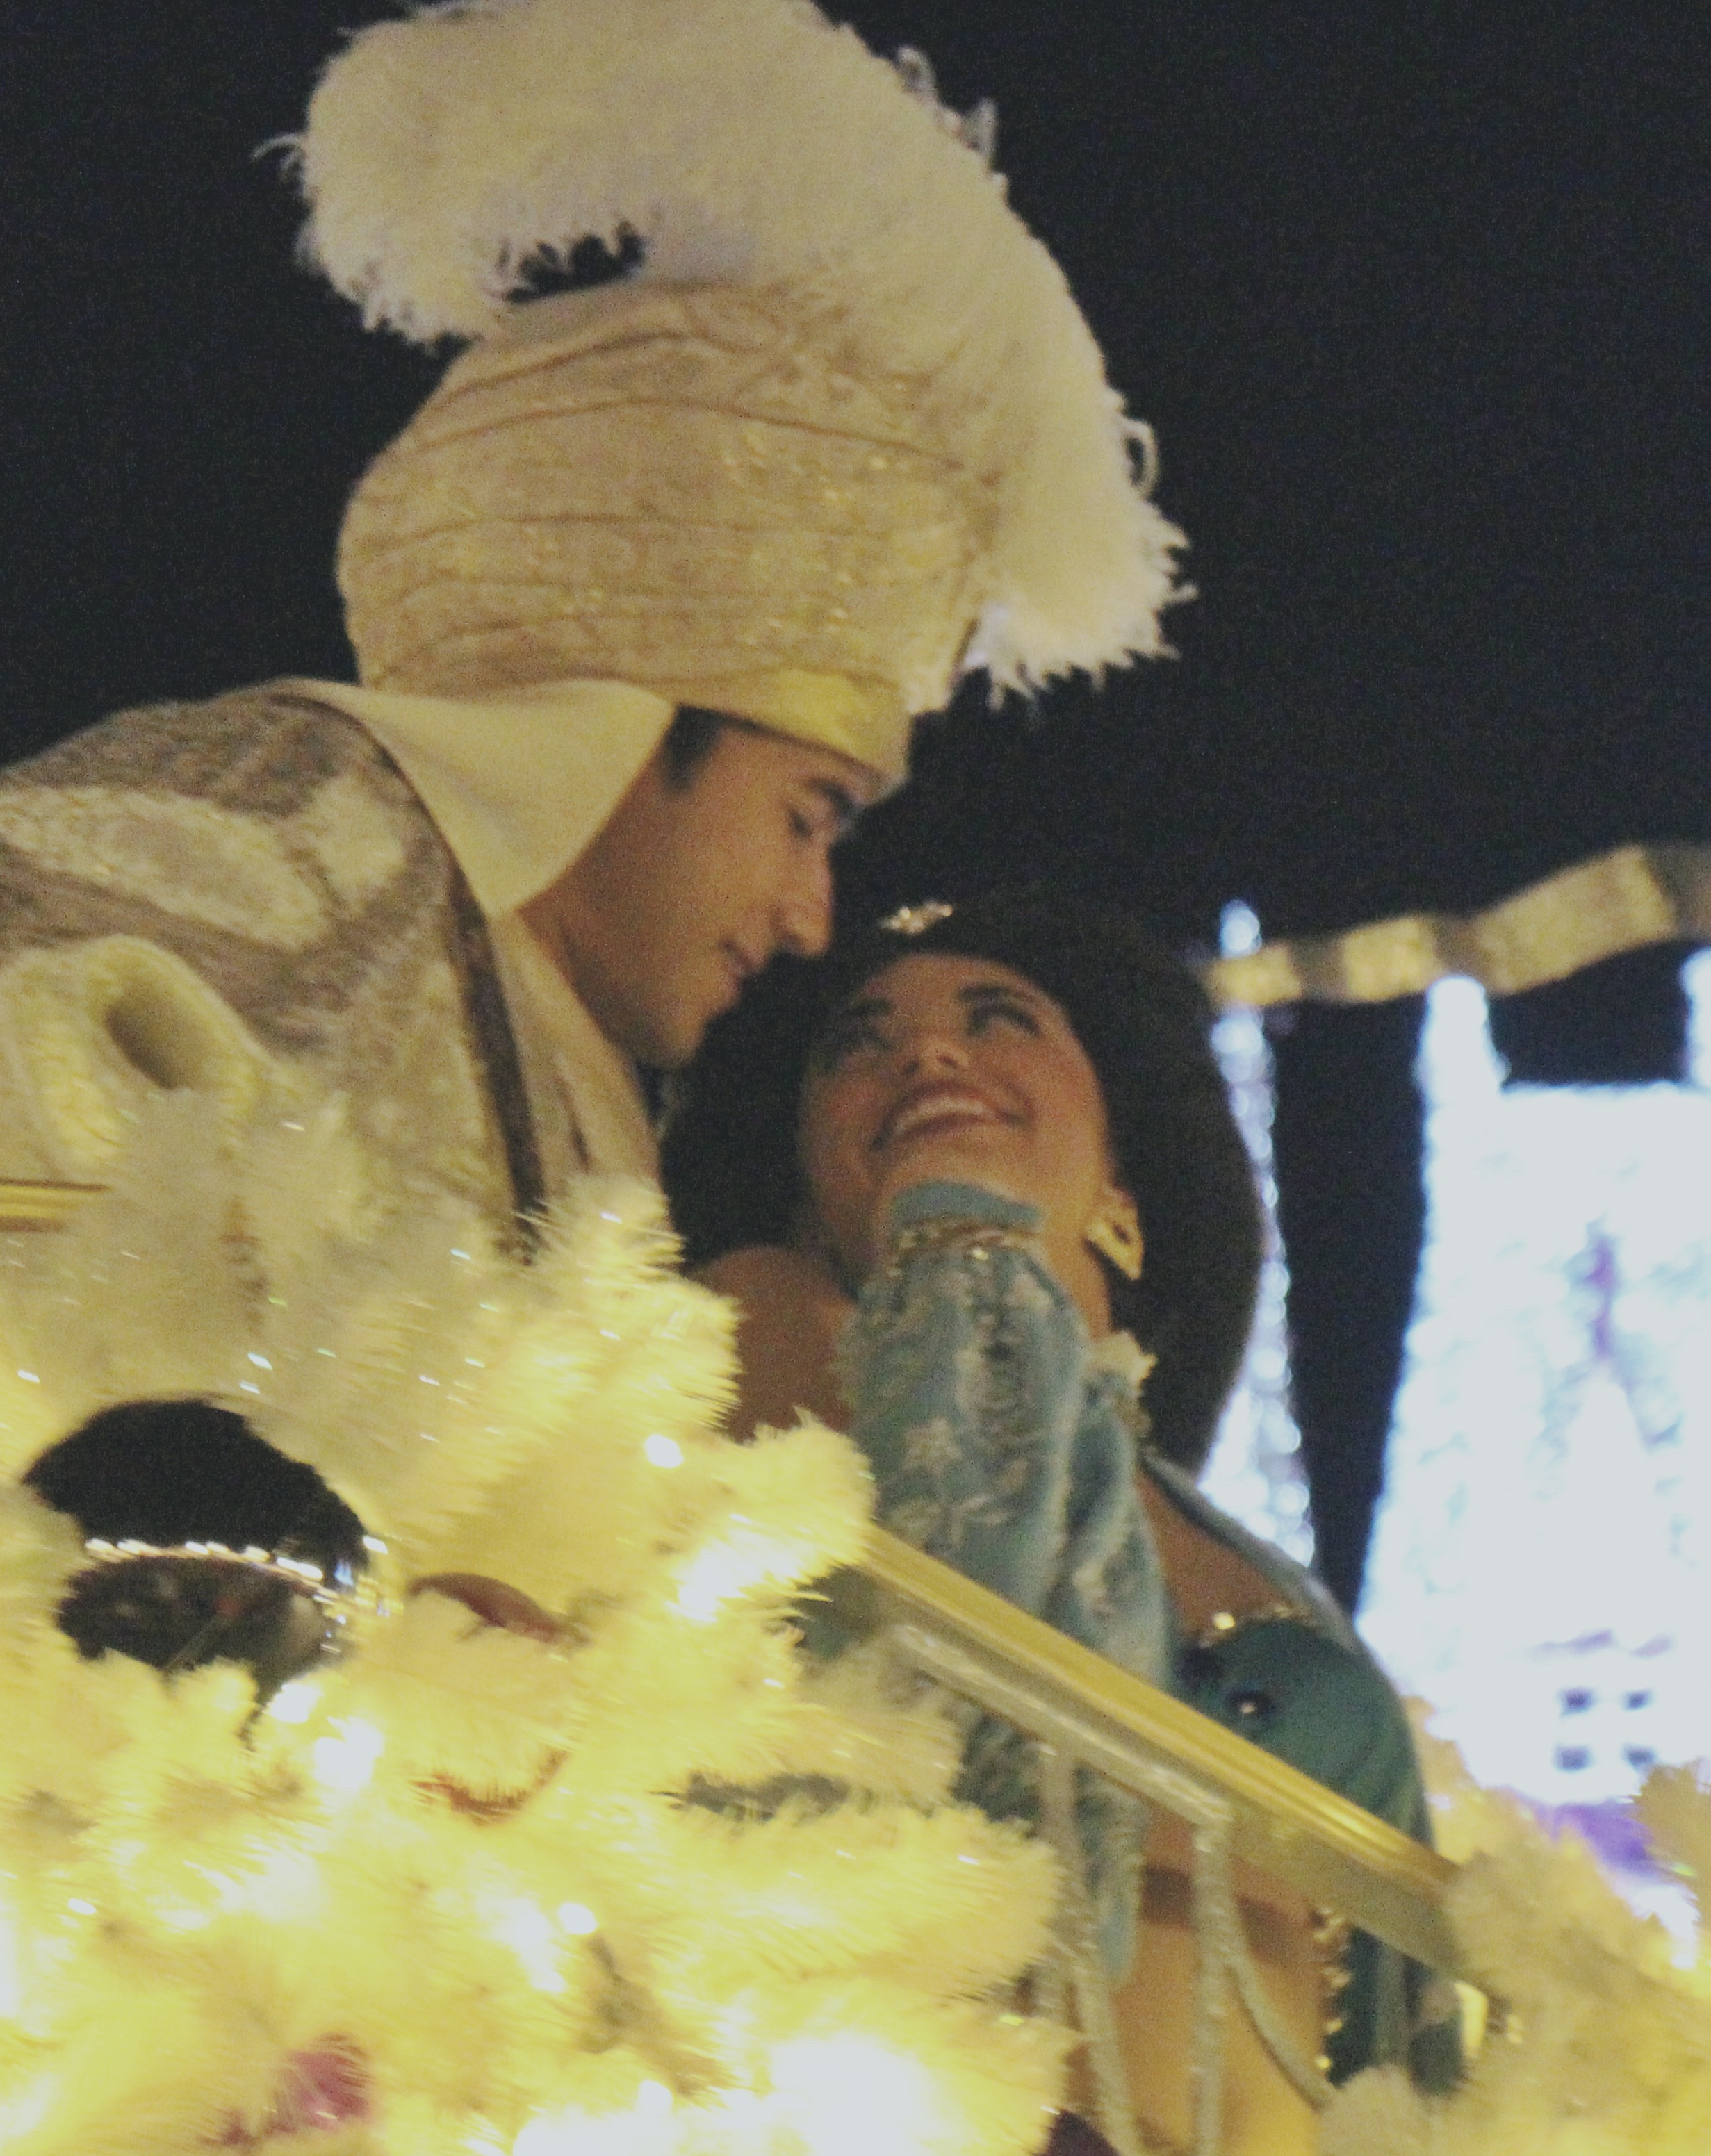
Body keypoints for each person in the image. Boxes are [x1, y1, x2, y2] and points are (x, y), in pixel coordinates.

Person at [0, 0, 1178, 1235]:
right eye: (803, 817)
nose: (810, 914)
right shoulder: (272, 845)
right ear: (616, 732)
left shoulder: (598, 1092)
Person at [664, 885, 1448, 2156]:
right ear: (800, 1186)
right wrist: (955, 1253)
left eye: (995, 1020)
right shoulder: (775, 1340)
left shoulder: (1243, 1558)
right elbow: (982, 1723)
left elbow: (1403, 2016)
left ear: (1127, 1192)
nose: (925, 1058)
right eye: (858, 1046)